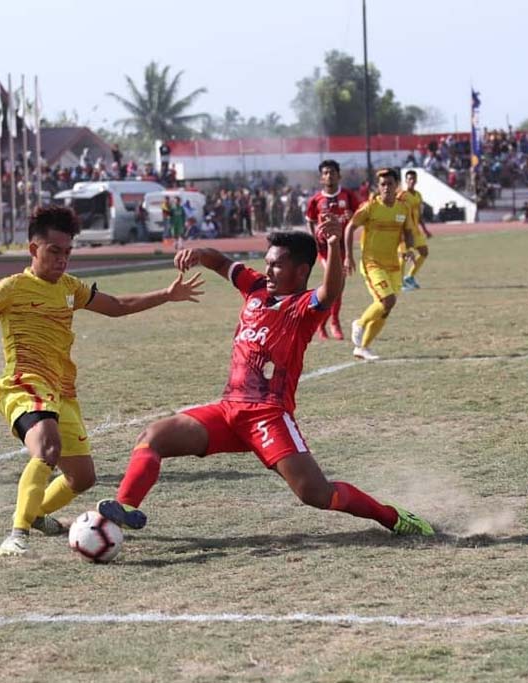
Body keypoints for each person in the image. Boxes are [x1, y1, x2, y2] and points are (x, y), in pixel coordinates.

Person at [0, 205, 204, 556]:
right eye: (54, 251)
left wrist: (166, 295)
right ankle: (16, 535)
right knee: (47, 449)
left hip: (62, 390)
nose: (62, 259)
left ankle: (36, 514)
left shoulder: (70, 288)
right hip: (24, 384)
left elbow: (117, 305)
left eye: (67, 252)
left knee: (83, 477)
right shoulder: (11, 287)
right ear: (34, 249)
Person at [96, 226, 433, 538]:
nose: (269, 271)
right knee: (153, 436)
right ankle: (126, 507)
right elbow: (222, 262)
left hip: (268, 416)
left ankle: (393, 517)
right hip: (229, 411)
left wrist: (333, 247)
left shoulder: (303, 307)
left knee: (316, 494)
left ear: (301, 271)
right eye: (267, 263)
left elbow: (330, 292)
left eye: (277, 266)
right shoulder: (255, 288)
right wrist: (199, 252)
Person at [345, 168, 414, 361]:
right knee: (388, 300)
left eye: (389, 184)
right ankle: (359, 323)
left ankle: (363, 348)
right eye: (382, 184)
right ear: (378, 187)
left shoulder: (403, 208)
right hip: (372, 263)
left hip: (393, 265)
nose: (386, 188)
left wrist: (409, 249)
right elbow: (350, 227)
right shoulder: (370, 207)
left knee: (386, 307)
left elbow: (408, 231)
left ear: (396, 186)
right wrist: (348, 256)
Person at [304, 159, 359, 340]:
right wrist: (314, 238)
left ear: (339, 175)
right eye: (325, 173)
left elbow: (358, 218)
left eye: (332, 172)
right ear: (321, 178)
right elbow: (310, 220)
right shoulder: (315, 200)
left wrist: (352, 217)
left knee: (339, 287)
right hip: (325, 249)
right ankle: (330, 323)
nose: (329, 176)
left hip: (343, 247)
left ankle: (328, 322)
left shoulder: (348, 196)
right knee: (335, 283)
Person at [397, 169, 433, 291]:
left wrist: (425, 230)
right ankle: (400, 282)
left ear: (416, 180)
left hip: (415, 231)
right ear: (406, 181)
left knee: (424, 252)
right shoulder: (402, 195)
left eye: (413, 179)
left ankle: (410, 276)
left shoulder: (418, 195)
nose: (411, 181)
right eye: (409, 179)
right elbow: (396, 211)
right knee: (404, 255)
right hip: (404, 231)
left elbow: (419, 215)